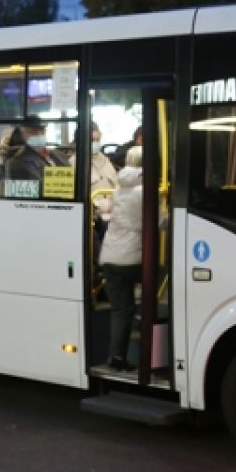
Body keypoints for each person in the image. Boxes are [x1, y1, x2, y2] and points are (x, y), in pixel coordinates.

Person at [98, 149, 144, 371]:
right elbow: (159, 222)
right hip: (133, 258)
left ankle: (116, 356)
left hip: (110, 256)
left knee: (120, 310)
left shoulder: (118, 190)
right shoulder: (146, 191)